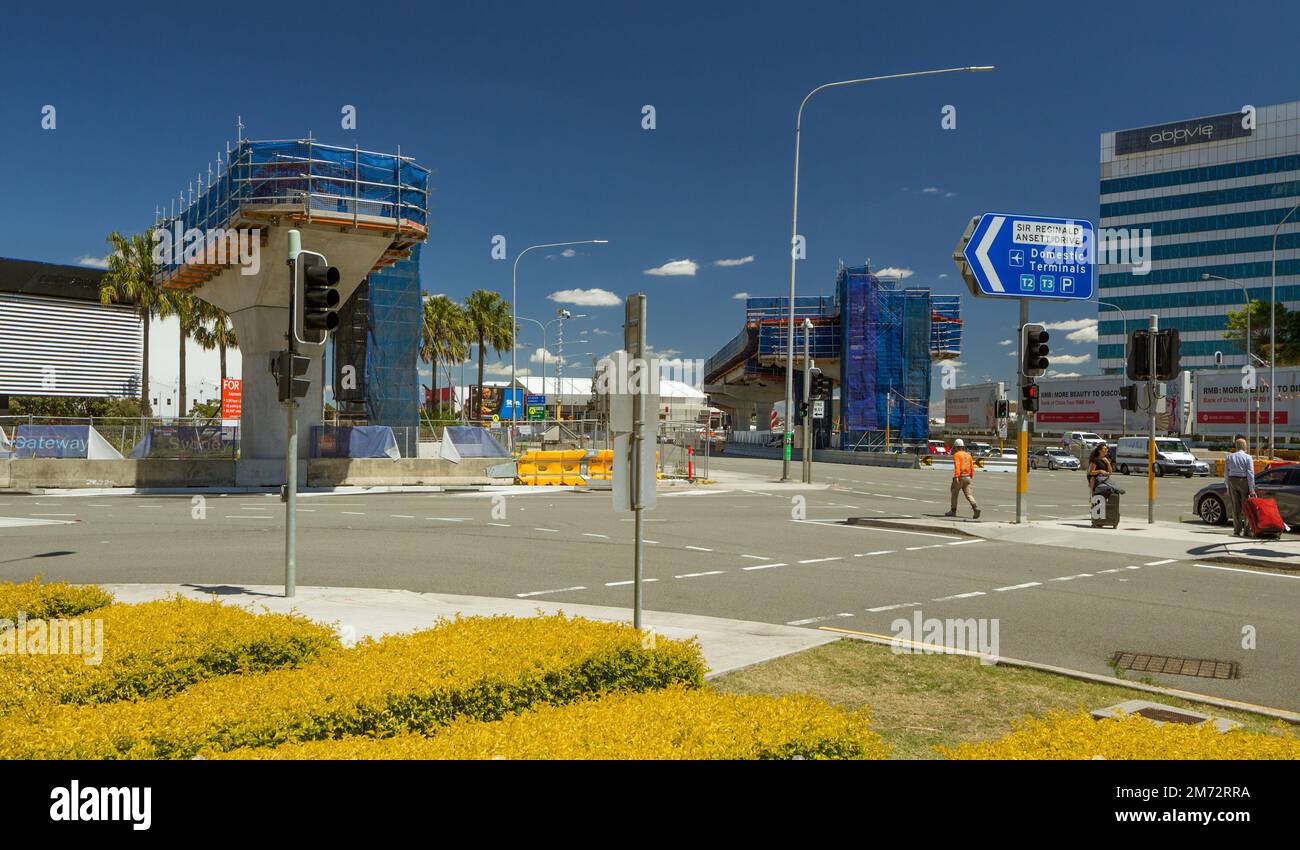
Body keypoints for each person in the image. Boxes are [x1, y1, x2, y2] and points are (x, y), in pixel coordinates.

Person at [1224, 437, 1257, 537]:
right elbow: (1250, 474)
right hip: (1243, 481)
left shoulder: (1229, 457)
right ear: (1244, 446)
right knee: (1246, 507)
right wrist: (1251, 489)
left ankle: (1237, 530)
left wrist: (1227, 488)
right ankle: (1247, 530)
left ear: (1236, 446)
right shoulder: (1248, 457)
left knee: (1235, 507)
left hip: (1232, 481)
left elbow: (1226, 473)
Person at [945, 438, 980, 520]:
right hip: (968, 477)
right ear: (963, 446)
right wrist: (971, 476)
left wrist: (956, 477)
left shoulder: (956, 455)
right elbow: (972, 466)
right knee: (969, 495)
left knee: (954, 494)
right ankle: (975, 508)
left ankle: (953, 511)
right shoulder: (968, 455)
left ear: (956, 447)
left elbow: (957, 466)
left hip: (960, 477)